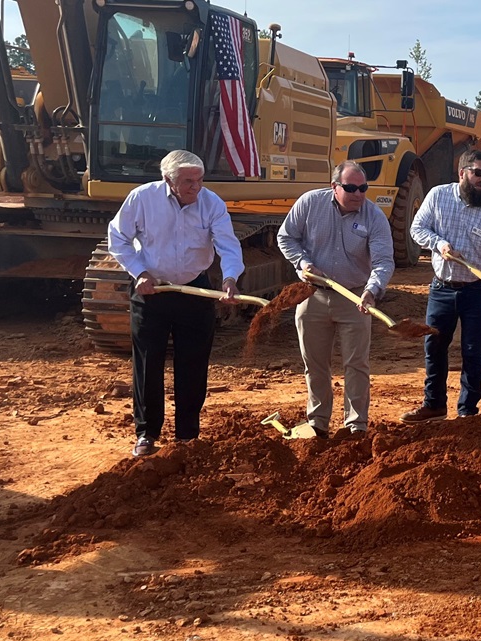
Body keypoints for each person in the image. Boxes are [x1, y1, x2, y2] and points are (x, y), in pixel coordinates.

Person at [107, 149, 243, 457]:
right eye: (187, 181)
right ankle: (146, 433)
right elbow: (118, 238)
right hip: (151, 290)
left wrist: (230, 279)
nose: (195, 187)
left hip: (194, 291)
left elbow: (228, 245)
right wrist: (139, 273)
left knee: (193, 364)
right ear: (167, 180)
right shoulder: (141, 199)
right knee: (148, 363)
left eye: (199, 180)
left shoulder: (212, 204)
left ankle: (187, 435)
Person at [276, 160, 395, 437]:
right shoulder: (310, 204)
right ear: (334, 187)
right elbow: (286, 238)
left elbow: (383, 261)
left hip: (355, 297)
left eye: (363, 188)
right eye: (351, 188)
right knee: (315, 363)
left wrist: (372, 290)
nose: (358, 194)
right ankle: (318, 422)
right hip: (312, 295)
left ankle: (356, 426)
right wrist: (303, 263)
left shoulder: (374, 217)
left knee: (356, 364)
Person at [404, 149, 481, 422]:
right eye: (478, 173)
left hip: (478, 290)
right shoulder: (438, 196)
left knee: (472, 352)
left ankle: (468, 411)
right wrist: (439, 243)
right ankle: (434, 404)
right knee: (434, 347)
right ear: (462, 172)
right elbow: (417, 229)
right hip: (442, 288)